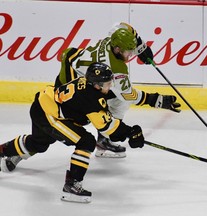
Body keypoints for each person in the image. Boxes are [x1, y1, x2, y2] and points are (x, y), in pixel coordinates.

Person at [0, 62, 145, 203]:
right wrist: (130, 132)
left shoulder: (87, 83)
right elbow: (108, 129)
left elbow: (97, 105)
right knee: (86, 141)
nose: (110, 86)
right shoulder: (91, 98)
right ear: (96, 85)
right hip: (49, 115)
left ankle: (3, 150)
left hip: (42, 104)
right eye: (107, 84)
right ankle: (72, 185)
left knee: (39, 144)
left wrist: (127, 130)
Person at [54, 22, 181, 158]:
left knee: (112, 94)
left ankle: (103, 138)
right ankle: (105, 139)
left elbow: (122, 25)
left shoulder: (111, 39)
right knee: (120, 101)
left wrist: (140, 46)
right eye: (128, 51)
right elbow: (128, 95)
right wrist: (157, 100)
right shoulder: (115, 68)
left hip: (72, 75)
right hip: (73, 94)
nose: (131, 54)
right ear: (118, 49)